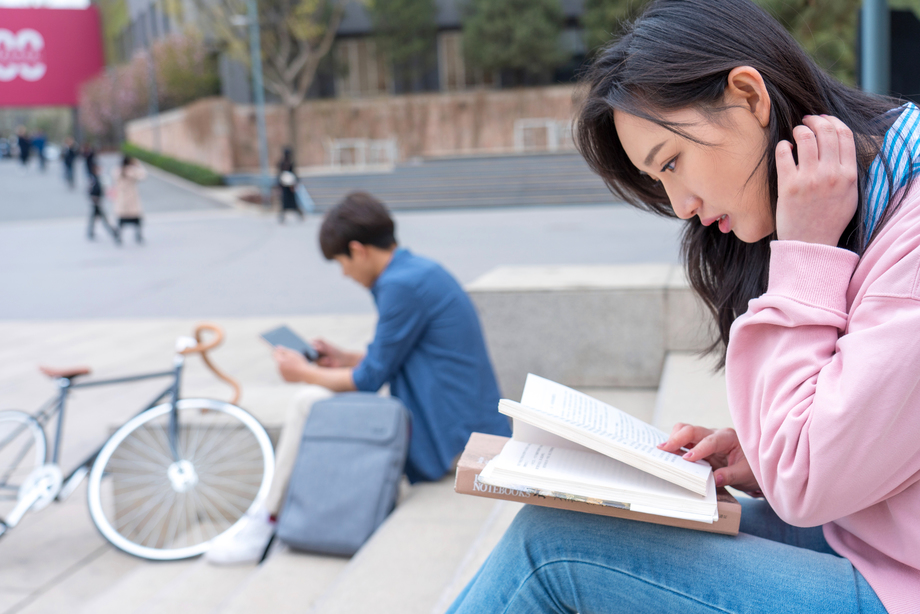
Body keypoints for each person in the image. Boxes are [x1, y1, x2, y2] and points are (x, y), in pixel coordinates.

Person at [447, 1, 920, 613]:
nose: (681, 204)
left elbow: (805, 480)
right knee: (580, 527)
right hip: (878, 545)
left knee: (554, 550)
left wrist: (806, 252)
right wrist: (766, 455)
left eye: (672, 162)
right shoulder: (886, 195)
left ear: (749, 96)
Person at [205, 191, 512, 565]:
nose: (344, 274)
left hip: (454, 437)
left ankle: (265, 520)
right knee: (315, 399)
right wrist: (344, 357)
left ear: (358, 249)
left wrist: (302, 372)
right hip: (464, 422)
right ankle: (271, 516)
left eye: (340, 262)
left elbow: (368, 380)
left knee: (307, 401)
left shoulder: (399, 285)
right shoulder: (417, 270)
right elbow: (400, 354)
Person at [111, 155, 147, 244]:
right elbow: (143, 175)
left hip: (122, 200)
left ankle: (118, 237)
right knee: (137, 220)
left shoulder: (118, 171)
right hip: (132, 200)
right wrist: (138, 164)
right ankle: (138, 236)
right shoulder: (132, 171)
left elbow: (113, 175)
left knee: (121, 221)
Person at [87, 161, 120, 244]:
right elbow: (91, 191)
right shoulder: (94, 179)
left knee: (94, 219)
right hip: (96, 203)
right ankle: (113, 232)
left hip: (97, 203)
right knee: (103, 219)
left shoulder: (97, 178)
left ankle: (90, 232)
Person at [276, 147, 304, 223]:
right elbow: (279, 175)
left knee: (293, 202)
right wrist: (279, 186)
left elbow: (294, 174)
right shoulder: (281, 164)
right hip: (284, 186)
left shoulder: (291, 163)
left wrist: (295, 182)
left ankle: (300, 214)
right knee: (284, 203)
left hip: (290, 187)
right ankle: (282, 217)